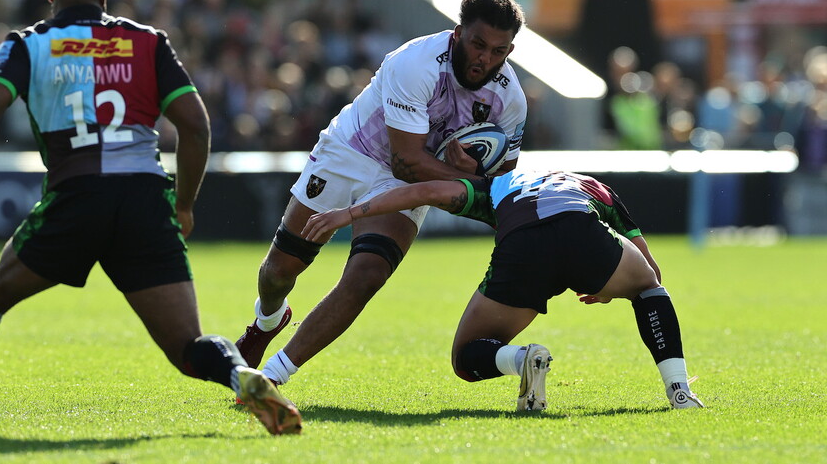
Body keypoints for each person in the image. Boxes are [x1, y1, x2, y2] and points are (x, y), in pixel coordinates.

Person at [0, 0, 301, 436]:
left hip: (76, 198)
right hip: (144, 201)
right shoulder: (148, 42)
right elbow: (195, 126)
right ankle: (241, 375)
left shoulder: (28, 44)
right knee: (188, 348)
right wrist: (184, 204)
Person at [236, 0, 529, 388]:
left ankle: (270, 377)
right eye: (477, 44)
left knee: (368, 275)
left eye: (498, 51)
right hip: (351, 152)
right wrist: (464, 179)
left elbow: (498, 183)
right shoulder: (416, 63)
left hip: (410, 180)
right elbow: (405, 161)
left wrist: (476, 175)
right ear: (457, 34)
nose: (484, 58)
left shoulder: (510, 100)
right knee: (279, 272)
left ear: (510, 50)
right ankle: (267, 321)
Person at [302, 169, 705, 411]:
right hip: (581, 229)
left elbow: (422, 191)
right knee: (648, 289)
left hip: (523, 245)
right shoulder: (592, 186)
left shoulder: (493, 185)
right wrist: (611, 284)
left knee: (466, 357)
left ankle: (521, 359)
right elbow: (651, 270)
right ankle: (679, 389)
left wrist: (349, 213)